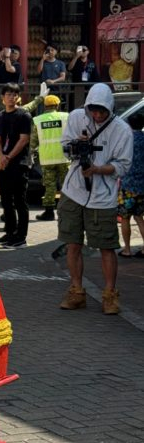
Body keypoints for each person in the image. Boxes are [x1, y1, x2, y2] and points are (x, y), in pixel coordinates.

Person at [57, 83, 133, 315]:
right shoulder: (76, 117)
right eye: (93, 110)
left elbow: (123, 165)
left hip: (102, 197)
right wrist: (75, 147)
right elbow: (64, 147)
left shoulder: (121, 130)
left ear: (110, 108)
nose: (97, 115)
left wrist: (98, 170)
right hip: (73, 191)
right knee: (72, 244)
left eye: (102, 111)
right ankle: (77, 291)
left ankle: (110, 294)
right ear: (87, 107)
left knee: (107, 247)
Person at [0, 83, 32, 248]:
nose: (11, 97)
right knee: (5, 199)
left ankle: (20, 237)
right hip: (3, 164)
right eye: (8, 94)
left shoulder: (24, 115)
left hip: (19, 163)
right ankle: (9, 233)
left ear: (18, 97)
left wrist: (8, 157)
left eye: (14, 94)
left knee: (20, 200)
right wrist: (2, 156)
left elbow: (24, 140)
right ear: (3, 97)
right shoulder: (0, 116)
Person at [30, 94, 69, 222]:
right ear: (57, 106)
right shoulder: (66, 117)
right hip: (64, 157)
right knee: (66, 186)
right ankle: (67, 212)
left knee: (49, 186)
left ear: (45, 106)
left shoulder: (38, 120)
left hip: (47, 159)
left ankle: (49, 212)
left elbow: (33, 142)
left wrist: (30, 153)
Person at [116, 111, 144, 258]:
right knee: (139, 217)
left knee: (125, 218)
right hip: (142, 185)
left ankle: (127, 249)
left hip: (127, 185)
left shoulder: (126, 140)